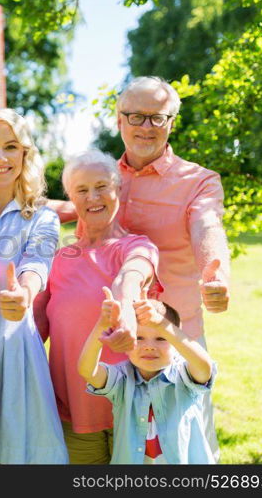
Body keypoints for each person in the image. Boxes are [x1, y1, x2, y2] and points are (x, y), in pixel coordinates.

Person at [114, 76, 228, 458]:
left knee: (188, 453)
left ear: (171, 123)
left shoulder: (198, 181)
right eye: (136, 116)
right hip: (117, 342)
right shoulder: (104, 179)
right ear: (119, 120)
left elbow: (207, 226)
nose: (146, 126)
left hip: (177, 344)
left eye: (157, 118)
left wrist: (215, 275)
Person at [0, 108, 67, 464]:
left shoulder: (43, 217)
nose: (0, 158)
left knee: (15, 454)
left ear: (25, 153)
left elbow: (37, 263)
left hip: (14, 346)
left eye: (10, 147)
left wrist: (24, 292)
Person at [44, 150, 159, 464]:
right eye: (82, 190)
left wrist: (124, 309)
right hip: (74, 412)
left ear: (117, 188)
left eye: (101, 186)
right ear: (70, 198)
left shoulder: (136, 246)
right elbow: (34, 327)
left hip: (134, 409)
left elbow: (131, 277)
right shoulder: (58, 259)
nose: (93, 197)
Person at [78, 287, 215, 464]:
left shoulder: (183, 376)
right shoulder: (122, 378)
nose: (149, 346)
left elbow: (204, 367)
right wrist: (102, 326)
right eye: (139, 338)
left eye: (161, 338)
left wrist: (160, 323)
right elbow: (88, 371)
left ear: (175, 343)